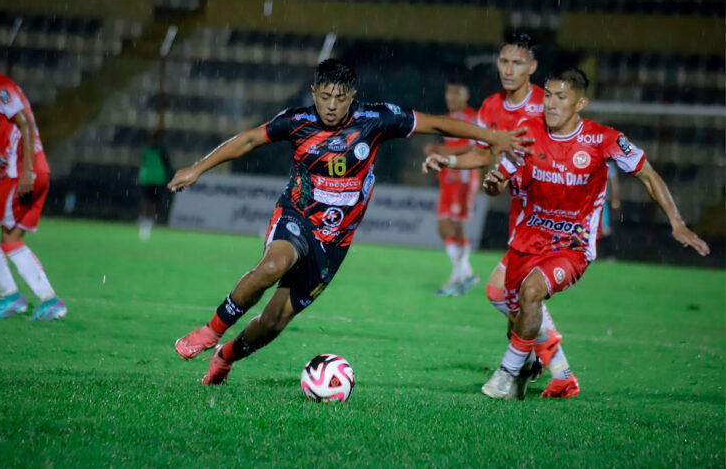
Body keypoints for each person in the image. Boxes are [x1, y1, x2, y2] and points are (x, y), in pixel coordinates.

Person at [168, 59, 531, 385]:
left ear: (352, 95)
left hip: (334, 243)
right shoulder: (297, 121)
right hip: (297, 217)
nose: (331, 105)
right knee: (274, 264)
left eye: (340, 98)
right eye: (325, 96)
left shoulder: (374, 120)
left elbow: (436, 124)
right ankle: (210, 331)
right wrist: (197, 168)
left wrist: (492, 137)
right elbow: (248, 140)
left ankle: (225, 356)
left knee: (273, 322)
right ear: (314, 92)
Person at [479, 67, 709, 400]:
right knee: (511, 307)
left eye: (561, 97)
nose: (551, 105)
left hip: (572, 245)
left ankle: (507, 373)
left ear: (580, 102)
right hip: (527, 240)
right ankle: (538, 372)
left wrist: (676, 221)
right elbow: (500, 178)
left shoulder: (604, 140)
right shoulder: (527, 132)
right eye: (547, 96)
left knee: (532, 294)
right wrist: (494, 183)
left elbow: (647, 174)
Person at [425, 32, 575, 395]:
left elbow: (569, 148)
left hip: (551, 216)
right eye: (504, 62)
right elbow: (481, 154)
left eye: (517, 63)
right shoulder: (491, 107)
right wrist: (449, 159)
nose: (509, 70)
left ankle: (540, 370)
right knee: (512, 301)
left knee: (509, 294)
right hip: (522, 216)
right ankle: (545, 368)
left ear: (532, 67)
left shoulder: (547, 104)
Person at [0, 38, 66, 320]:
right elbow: (0, 137)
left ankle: (10, 296)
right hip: (32, 171)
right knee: (10, 239)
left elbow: (27, 124)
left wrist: (27, 171)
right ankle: (50, 301)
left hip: (21, 173)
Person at [422, 79, 481, 296]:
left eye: (456, 93)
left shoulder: (473, 117)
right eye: (448, 93)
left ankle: (459, 276)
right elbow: (450, 147)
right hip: (447, 177)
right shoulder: (446, 118)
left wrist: (447, 152)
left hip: (464, 177)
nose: (451, 98)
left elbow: (477, 144)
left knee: (457, 227)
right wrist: (437, 148)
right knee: (443, 227)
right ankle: (465, 273)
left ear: (465, 96)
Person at [138, 130, 173, 241]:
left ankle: (151, 219)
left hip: (157, 179)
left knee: (153, 201)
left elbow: (167, 165)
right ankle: (144, 218)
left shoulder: (161, 151)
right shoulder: (146, 150)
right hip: (146, 179)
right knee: (146, 200)